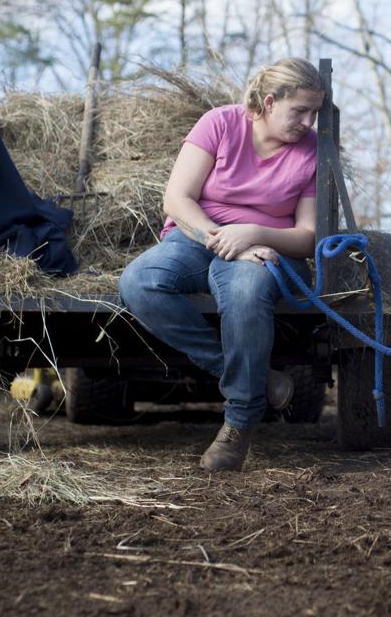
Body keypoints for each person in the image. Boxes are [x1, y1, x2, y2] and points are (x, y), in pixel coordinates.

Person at [118, 58, 324, 472]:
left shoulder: (312, 151)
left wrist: (253, 235)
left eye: (314, 112)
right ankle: (257, 378)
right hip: (197, 236)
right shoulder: (219, 123)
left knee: (247, 291)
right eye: (299, 110)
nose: (307, 121)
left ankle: (239, 421)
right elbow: (177, 199)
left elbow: (307, 237)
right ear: (268, 102)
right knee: (139, 282)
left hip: (265, 249)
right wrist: (221, 237)